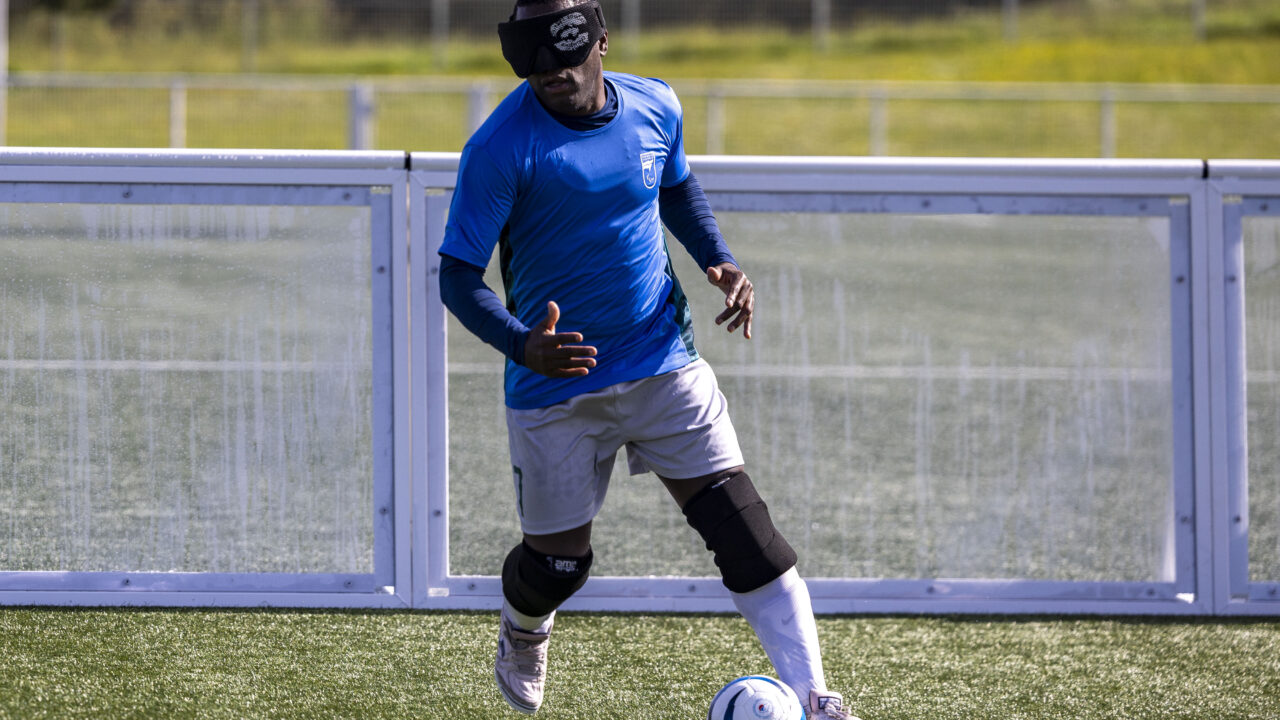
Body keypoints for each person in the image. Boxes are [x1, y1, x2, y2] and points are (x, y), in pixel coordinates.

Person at [437, 1, 859, 718]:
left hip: (663, 359)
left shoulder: (657, 105)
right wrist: (521, 342)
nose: (550, 71)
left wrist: (718, 258)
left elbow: (675, 185)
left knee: (747, 536)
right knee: (557, 566)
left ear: (602, 40)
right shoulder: (500, 148)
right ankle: (525, 625)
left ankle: (819, 699)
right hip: (556, 383)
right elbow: (456, 275)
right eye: (530, 59)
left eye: (565, 51)